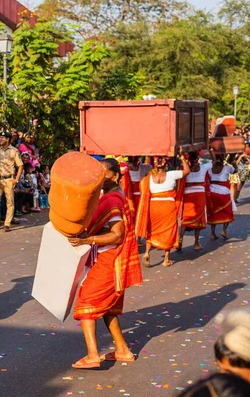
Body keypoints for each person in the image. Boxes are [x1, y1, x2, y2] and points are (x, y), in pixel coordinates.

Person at [69, 158, 143, 369]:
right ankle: (123, 350)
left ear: (116, 176)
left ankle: (93, 355)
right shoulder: (113, 196)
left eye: (103, 174)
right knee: (107, 308)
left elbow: (116, 235)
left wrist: (86, 240)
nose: (99, 177)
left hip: (109, 259)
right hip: (109, 258)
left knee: (86, 303)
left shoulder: (112, 200)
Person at [136, 154, 190, 268]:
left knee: (152, 230)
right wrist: (181, 157)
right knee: (168, 230)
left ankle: (146, 252)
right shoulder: (171, 174)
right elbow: (187, 171)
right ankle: (166, 259)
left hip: (153, 206)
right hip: (167, 206)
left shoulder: (148, 178)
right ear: (166, 164)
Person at [0, 131, 23, 232]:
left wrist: (16, 179)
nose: (0, 139)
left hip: (9, 179)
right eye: (0, 138)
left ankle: (7, 224)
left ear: (8, 139)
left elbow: (20, 166)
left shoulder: (14, 151)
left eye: (2, 138)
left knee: (9, 202)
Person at [179, 153, 212, 251]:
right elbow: (213, 162)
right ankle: (196, 243)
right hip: (199, 195)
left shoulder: (186, 169)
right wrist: (211, 150)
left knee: (185, 218)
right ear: (197, 159)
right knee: (198, 219)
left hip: (188, 195)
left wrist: (182, 158)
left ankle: (180, 238)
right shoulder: (203, 167)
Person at [208, 150, 236, 240]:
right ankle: (224, 230)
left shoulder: (209, 168)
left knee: (213, 214)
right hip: (224, 193)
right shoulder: (227, 167)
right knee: (228, 212)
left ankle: (212, 233)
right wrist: (233, 159)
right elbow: (235, 171)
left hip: (212, 193)